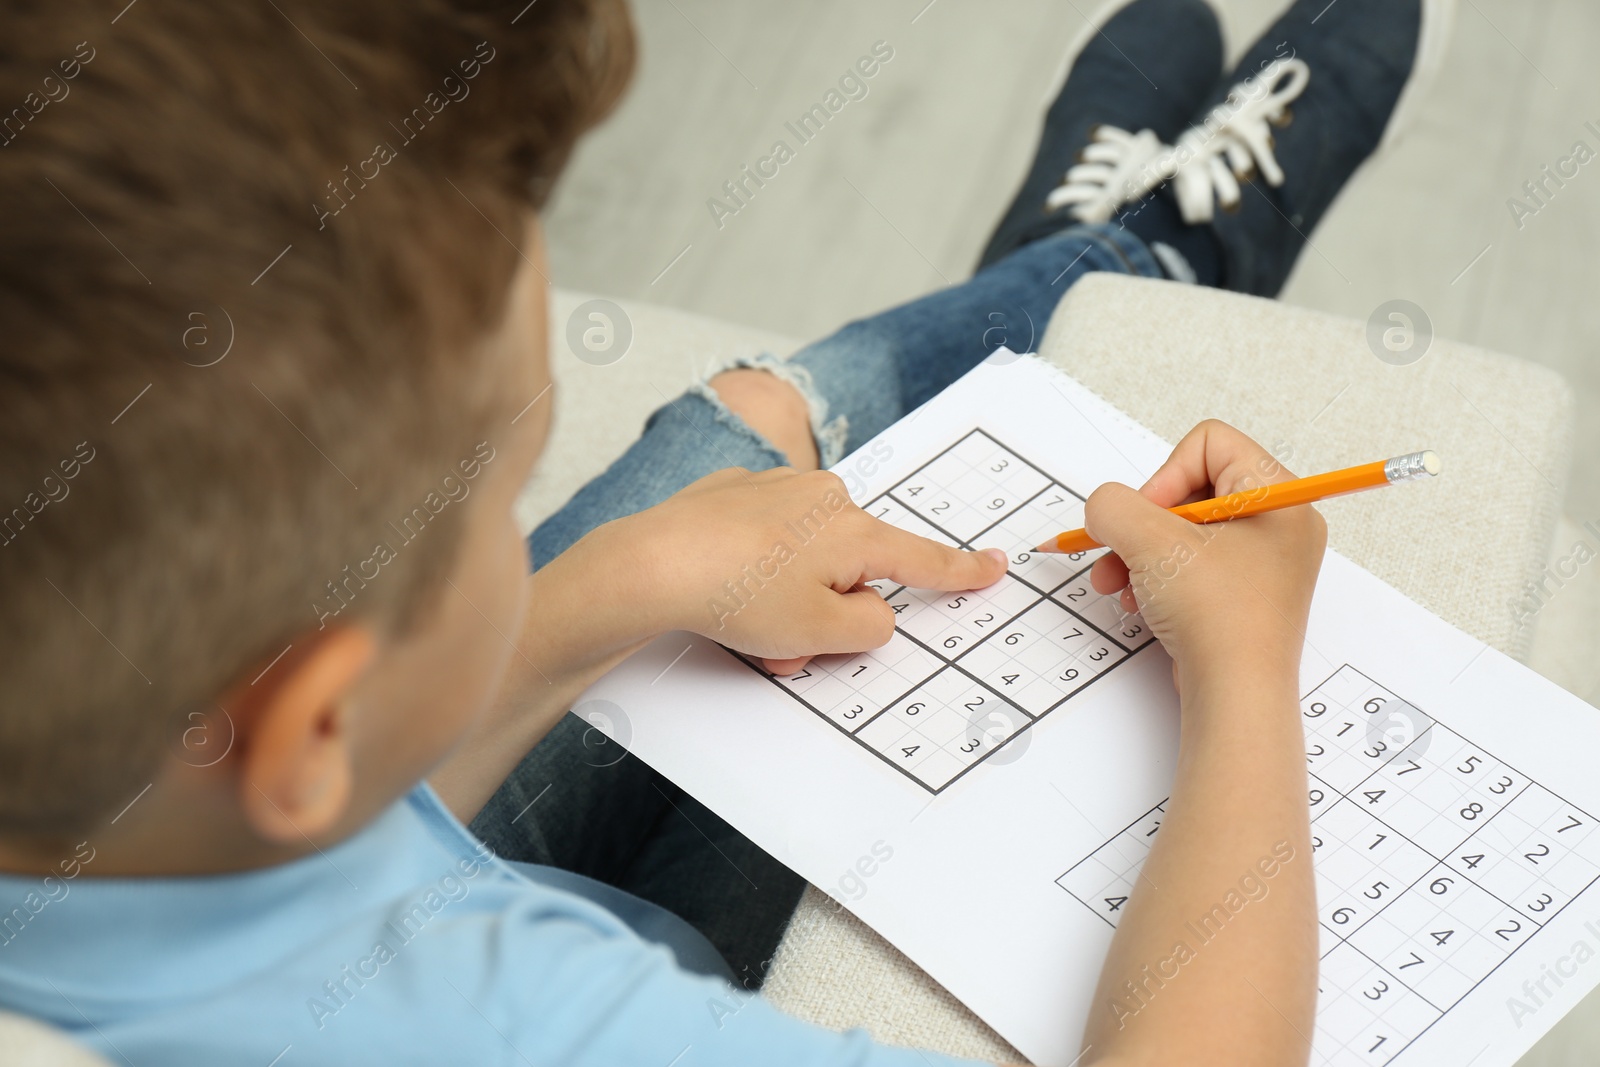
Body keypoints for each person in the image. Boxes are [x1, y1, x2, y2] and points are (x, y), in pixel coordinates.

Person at [0, 0, 1443, 1064]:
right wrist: (1250, 676)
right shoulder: (511, 1028)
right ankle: (1153, 253)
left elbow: (322, 795)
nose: (527, 516)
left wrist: (631, 573)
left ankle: (1091, 253)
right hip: (615, 947)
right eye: (500, 497)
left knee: (749, 429)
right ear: (311, 720)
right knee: (803, 522)